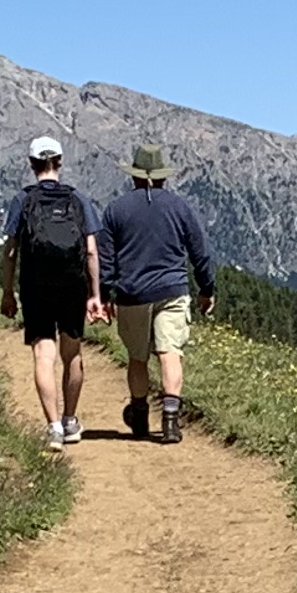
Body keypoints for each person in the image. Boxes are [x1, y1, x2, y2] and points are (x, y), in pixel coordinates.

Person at [95, 143, 216, 442]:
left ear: (133, 176)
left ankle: (138, 414)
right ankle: (171, 420)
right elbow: (200, 252)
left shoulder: (115, 210)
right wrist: (207, 289)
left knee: (137, 357)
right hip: (172, 290)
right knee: (170, 352)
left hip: (131, 293)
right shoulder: (179, 207)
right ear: (163, 176)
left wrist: (104, 294)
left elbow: (105, 257)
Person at [0, 134, 102, 447]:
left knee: (44, 353)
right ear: (60, 162)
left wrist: (7, 292)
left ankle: (53, 426)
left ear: (31, 165)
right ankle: (71, 420)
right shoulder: (77, 199)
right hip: (73, 283)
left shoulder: (23, 200)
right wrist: (94, 294)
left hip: (36, 284)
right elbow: (92, 251)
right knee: (72, 353)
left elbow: (10, 251)